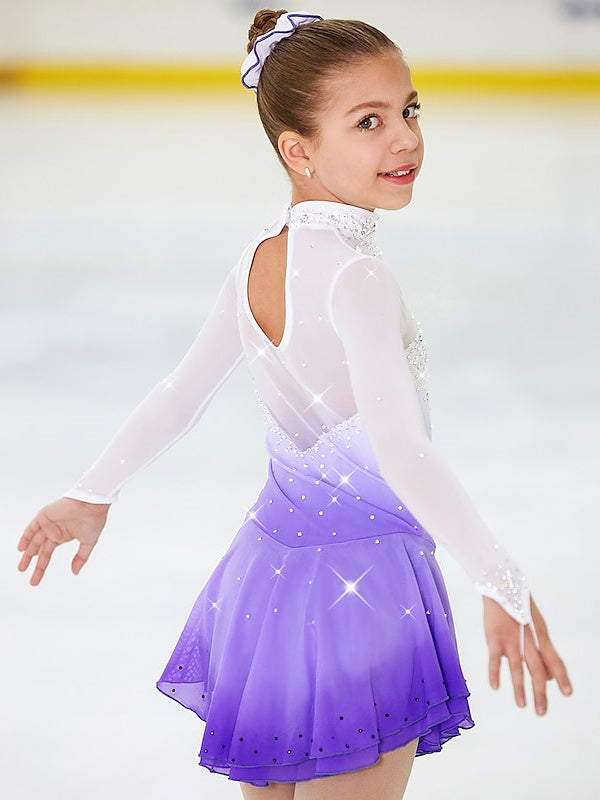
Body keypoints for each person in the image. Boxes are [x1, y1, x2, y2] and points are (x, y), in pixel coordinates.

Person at [17, 9, 572, 800]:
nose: (405, 139)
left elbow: (180, 395)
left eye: (410, 109)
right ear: (298, 150)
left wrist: (91, 490)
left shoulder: (257, 259)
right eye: (369, 121)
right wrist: (500, 580)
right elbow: (402, 451)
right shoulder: (358, 276)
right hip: (366, 592)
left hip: (267, 584)